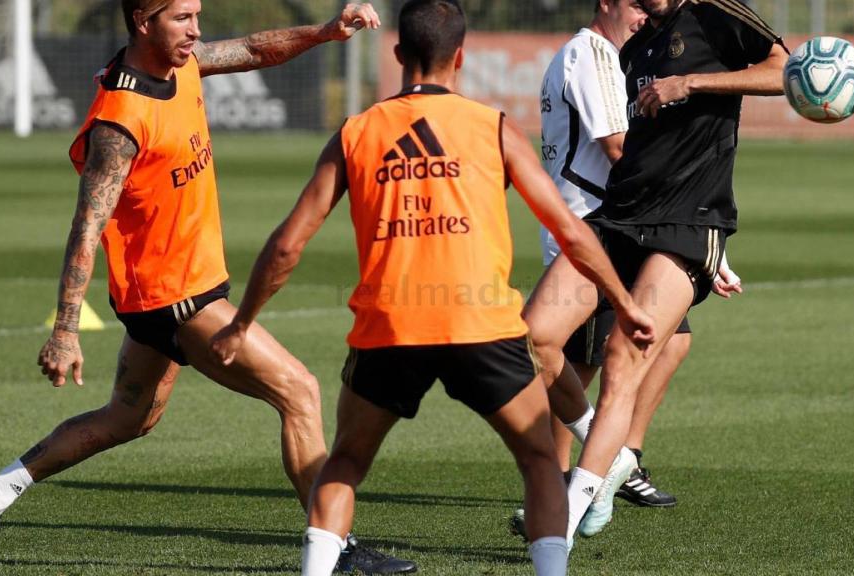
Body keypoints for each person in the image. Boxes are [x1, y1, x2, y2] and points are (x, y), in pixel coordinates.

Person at [207, 1, 657, 574]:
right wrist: (624, 302)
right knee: (539, 460)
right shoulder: (493, 127)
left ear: (398, 53)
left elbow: (287, 245)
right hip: (481, 325)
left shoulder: (357, 132)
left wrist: (242, 322)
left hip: (391, 327)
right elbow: (570, 230)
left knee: (344, 462)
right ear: (461, 57)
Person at [0, 2, 416, 573]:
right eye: (182, 18)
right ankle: (334, 550)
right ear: (143, 22)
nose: (196, 30)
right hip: (176, 300)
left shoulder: (180, 65)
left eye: (196, 15)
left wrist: (326, 32)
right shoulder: (120, 122)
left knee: (127, 418)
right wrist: (65, 329)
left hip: (166, 294)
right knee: (299, 392)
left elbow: (253, 49)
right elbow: (87, 225)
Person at [523, 0, 787, 543]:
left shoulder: (715, 13)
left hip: (688, 220)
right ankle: (611, 457)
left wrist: (690, 83)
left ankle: (566, 517)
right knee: (533, 336)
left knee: (624, 358)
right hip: (617, 215)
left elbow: (783, 71)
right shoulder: (636, 43)